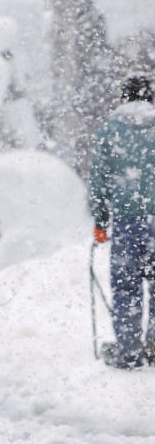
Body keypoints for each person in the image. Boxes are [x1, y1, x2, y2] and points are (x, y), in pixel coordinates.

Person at [89, 73, 155, 370]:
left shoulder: (110, 130)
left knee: (126, 286)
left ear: (123, 99)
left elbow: (100, 179)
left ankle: (128, 351)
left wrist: (101, 220)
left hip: (127, 221)